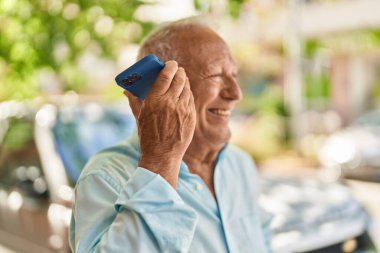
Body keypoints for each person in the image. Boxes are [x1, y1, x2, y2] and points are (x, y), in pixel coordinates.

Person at [69, 19, 272, 253]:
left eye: (234, 75)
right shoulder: (105, 176)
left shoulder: (239, 164)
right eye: (216, 75)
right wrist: (161, 160)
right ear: (160, 88)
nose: (235, 93)